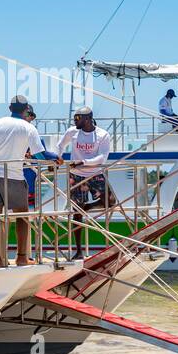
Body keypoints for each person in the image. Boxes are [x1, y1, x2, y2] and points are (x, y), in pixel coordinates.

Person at [0, 94, 59, 267]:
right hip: (13, 175)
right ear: (26, 110)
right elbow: (39, 155)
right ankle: (22, 257)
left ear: (9, 109)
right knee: (22, 215)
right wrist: (55, 159)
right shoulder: (28, 128)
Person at [55, 106, 114, 258]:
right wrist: (57, 158)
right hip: (76, 175)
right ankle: (79, 251)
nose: (75, 121)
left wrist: (84, 161)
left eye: (78, 118)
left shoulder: (102, 135)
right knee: (76, 214)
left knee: (110, 202)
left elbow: (102, 157)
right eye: (74, 118)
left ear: (88, 119)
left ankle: (88, 207)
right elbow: (60, 145)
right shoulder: (72, 132)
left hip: (94, 173)